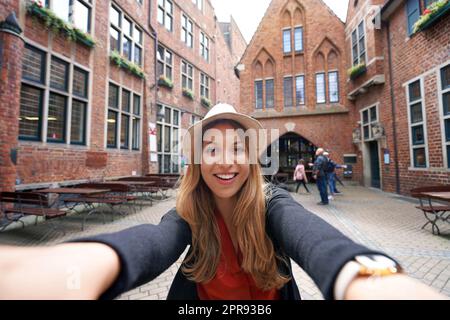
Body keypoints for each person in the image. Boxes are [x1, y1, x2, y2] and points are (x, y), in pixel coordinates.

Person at [0, 104, 445, 300]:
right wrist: (79, 269)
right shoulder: (190, 211)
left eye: (237, 148)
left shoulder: (273, 203)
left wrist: (367, 277)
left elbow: (314, 238)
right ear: (199, 159)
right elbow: (153, 242)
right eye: (212, 148)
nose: (225, 161)